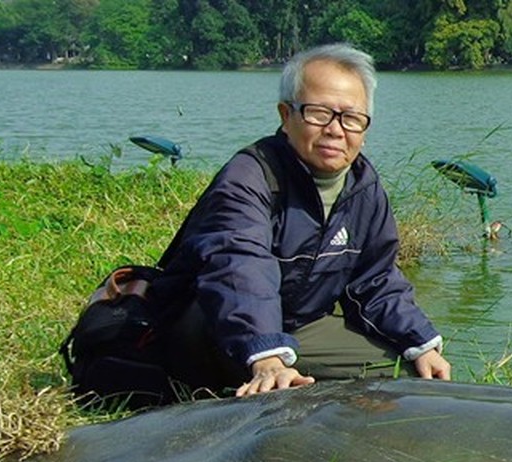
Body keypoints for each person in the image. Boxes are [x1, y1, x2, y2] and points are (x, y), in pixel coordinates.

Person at [149, 43, 450, 398]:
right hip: (207, 325)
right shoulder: (249, 177)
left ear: (364, 128)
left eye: (351, 118)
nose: (336, 130)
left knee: (403, 368)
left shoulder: (364, 188)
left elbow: (376, 279)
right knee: (260, 365)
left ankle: (281, 378)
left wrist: (420, 342)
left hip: (294, 328)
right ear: (285, 115)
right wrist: (267, 356)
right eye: (319, 113)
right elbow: (238, 267)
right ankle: (228, 385)